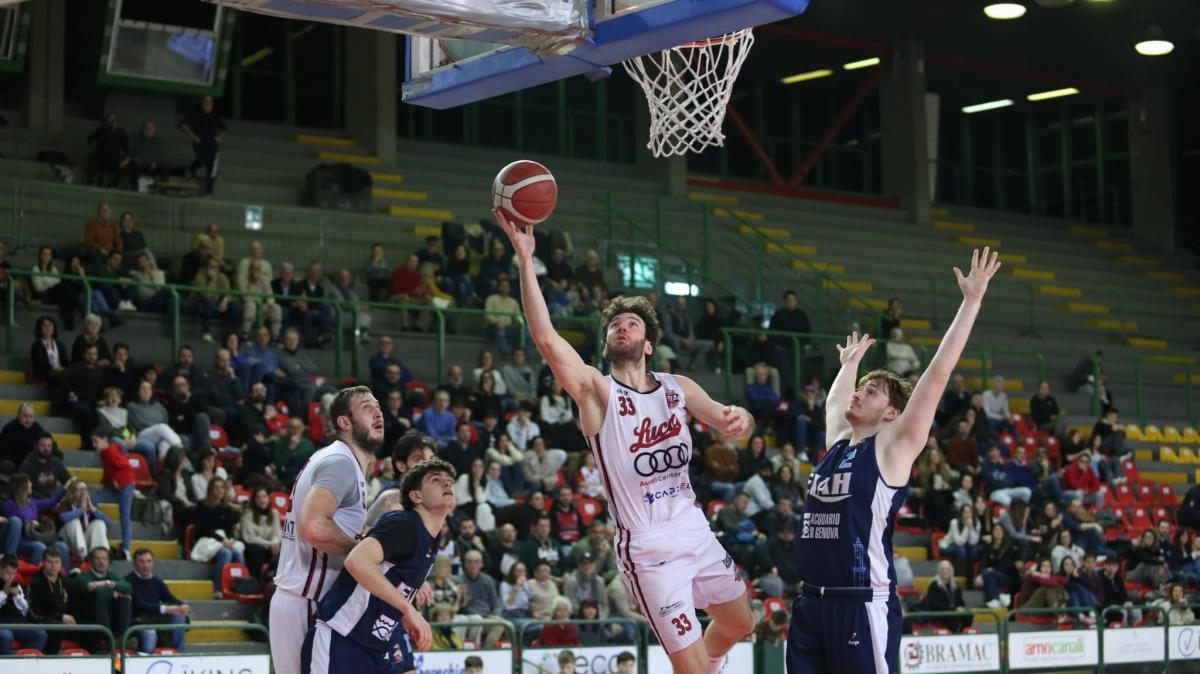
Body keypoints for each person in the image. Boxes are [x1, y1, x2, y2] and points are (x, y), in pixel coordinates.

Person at [499, 207, 756, 674]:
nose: (623, 326)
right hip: (649, 549)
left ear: (649, 342)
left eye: (633, 323)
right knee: (691, 668)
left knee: (741, 624)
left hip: (695, 531)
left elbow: (730, 420)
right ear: (606, 343)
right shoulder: (597, 391)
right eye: (616, 324)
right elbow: (545, 336)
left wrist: (744, 417)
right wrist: (525, 259)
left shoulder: (678, 387)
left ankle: (710, 663)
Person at [787, 248, 1002, 674]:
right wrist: (850, 366)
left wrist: (971, 302)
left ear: (891, 413)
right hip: (810, 602)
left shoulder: (893, 446)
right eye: (861, 388)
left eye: (871, 392)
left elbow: (937, 374)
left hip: (859, 603)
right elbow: (833, 401)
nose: (858, 393)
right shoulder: (838, 446)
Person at [301, 460, 455, 674]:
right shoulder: (405, 525)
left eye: (449, 481)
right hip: (341, 637)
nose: (447, 484)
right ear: (416, 496)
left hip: (373, 647)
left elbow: (392, 580)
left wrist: (402, 612)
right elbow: (357, 561)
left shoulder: (433, 538)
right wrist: (408, 610)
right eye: (436, 480)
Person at [270, 386, 384, 674]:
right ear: (344, 422)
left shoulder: (339, 460)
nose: (378, 412)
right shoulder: (341, 463)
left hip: (301, 597)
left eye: (378, 407)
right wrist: (365, 553)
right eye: (367, 408)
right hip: (308, 599)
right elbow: (315, 528)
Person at [68, 547, 132, 652]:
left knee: (125, 599)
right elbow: (97, 592)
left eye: (104, 559)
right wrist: (114, 591)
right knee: (99, 598)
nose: (101, 562)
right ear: (91, 561)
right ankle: (111, 640)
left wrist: (107, 583)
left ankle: (118, 637)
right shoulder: (83, 576)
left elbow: (128, 587)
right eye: (98, 559)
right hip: (86, 620)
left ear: (109, 561)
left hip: (109, 620)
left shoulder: (111, 575)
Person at [126, 548, 190, 653]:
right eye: (141, 561)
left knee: (180, 616)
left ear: (153, 563)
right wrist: (166, 609)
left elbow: (170, 598)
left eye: (148, 561)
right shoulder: (129, 581)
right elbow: (140, 605)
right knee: (150, 633)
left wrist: (182, 605)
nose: (145, 565)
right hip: (137, 621)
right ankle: (147, 663)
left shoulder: (157, 581)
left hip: (155, 619)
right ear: (134, 563)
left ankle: (179, 654)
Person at [55, 479, 112, 563]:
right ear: (73, 492)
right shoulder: (66, 504)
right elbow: (63, 519)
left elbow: (109, 523)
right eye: (80, 489)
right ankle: (84, 558)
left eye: (85, 489)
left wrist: (93, 510)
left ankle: (101, 555)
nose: (83, 492)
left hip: (84, 541)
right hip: (69, 541)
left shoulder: (91, 505)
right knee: (73, 522)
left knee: (99, 523)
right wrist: (81, 509)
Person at [0, 554, 47, 655]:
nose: (10, 577)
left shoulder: (16, 585)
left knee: (40, 634)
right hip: (1, 625)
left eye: (13, 573)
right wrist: (4, 593)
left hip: (17, 623)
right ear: (0, 569)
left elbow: (24, 610)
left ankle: (25, 662)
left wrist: (16, 596)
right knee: (6, 636)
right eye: (8, 572)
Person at [179, 95, 226, 195]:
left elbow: (223, 128)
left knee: (212, 170)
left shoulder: (215, 116)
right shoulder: (196, 114)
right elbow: (183, 124)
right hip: (200, 142)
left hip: (213, 145)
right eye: (206, 102)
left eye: (210, 102)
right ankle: (191, 169)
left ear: (212, 104)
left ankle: (209, 193)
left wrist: (220, 137)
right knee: (202, 159)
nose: (208, 104)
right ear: (202, 103)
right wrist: (193, 136)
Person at [923, 560, 970, 633]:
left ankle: (962, 634)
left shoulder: (955, 584)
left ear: (951, 571)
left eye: (947, 569)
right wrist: (954, 609)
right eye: (942, 569)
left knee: (968, 615)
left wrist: (961, 607)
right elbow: (935, 604)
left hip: (953, 612)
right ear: (939, 571)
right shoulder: (934, 585)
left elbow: (960, 600)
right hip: (940, 613)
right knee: (953, 619)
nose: (945, 572)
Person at [4, 403, 50, 475]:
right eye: (25, 416)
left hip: (31, 461)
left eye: (31, 416)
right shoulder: (8, 428)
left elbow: (49, 440)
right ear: (18, 415)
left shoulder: (37, 428)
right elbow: (3, 452)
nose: (28, 420)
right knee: (7, 464)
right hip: (14, 461)